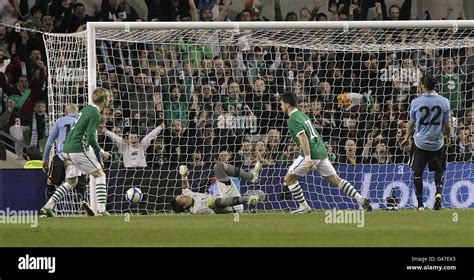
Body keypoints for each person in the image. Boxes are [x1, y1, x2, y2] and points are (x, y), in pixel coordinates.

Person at [279, 92, 372, 213]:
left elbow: (303, 138)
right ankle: (360, 199)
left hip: (311, 153)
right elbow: (314, 134)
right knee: (336, 179)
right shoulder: (303, 115)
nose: (280, 106)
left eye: (281, 104)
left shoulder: (292, 119)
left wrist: (307, 158)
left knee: (289, 179)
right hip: (320, 151)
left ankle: (304, 207)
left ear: (287, 105)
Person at [40, 88, 112, 217]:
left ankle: (47, 207)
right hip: (78, 149)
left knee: (72, 182)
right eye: (108, 98)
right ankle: (102, 210)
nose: (110, 100)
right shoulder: (95, 114)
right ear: (104, 100)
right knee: (100, 174)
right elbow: (91, 138)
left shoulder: (85, 109)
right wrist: (101, 152)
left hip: (66, 150)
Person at [401, 75, 451, 211]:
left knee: (417, 173)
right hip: (437, 144)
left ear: (423, 86)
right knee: (439, 171)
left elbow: (411, 124)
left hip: (420, 144)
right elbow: (447, 125)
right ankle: (439, 195)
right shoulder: (444, 101)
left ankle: (420, 205)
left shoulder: (416, 102)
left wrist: (406, 137)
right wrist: (448, 136)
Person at [41, 103, 93, 215]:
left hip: (61, 156)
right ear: (78, 112)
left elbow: (49, 142)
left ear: (65, 112)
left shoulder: (60, 121)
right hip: (78, 155)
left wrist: (45, 159)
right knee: (80, 181)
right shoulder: (83, 121)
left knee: (51, 181)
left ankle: (51, 207)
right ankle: (82, 199)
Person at [170, 162, 263, 215]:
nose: (184, 196)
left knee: (218, 167)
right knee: (216, 202)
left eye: (181, 195)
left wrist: (184, 176)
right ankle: (249, 198)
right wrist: (213, 206)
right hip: (231, 208)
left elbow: (185, 188)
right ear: (185, 206)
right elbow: (216, 215)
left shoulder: (190, 196)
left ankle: (252, 179)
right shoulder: (197, 210)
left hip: (224, 196)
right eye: (182, 198)